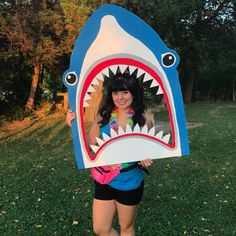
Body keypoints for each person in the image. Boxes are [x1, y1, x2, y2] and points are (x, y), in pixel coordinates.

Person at [66, 72, 153, 236]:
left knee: (126, 228)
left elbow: (149, 152)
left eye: (125, 92)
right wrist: (74, 127)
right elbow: (92, 146)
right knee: (100, 228)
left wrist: (145, 157)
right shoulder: (103, 116)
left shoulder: (142, 119)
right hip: (104, 178)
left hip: (129, 181)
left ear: (133, 93)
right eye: (115, 93)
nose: (120, 97)